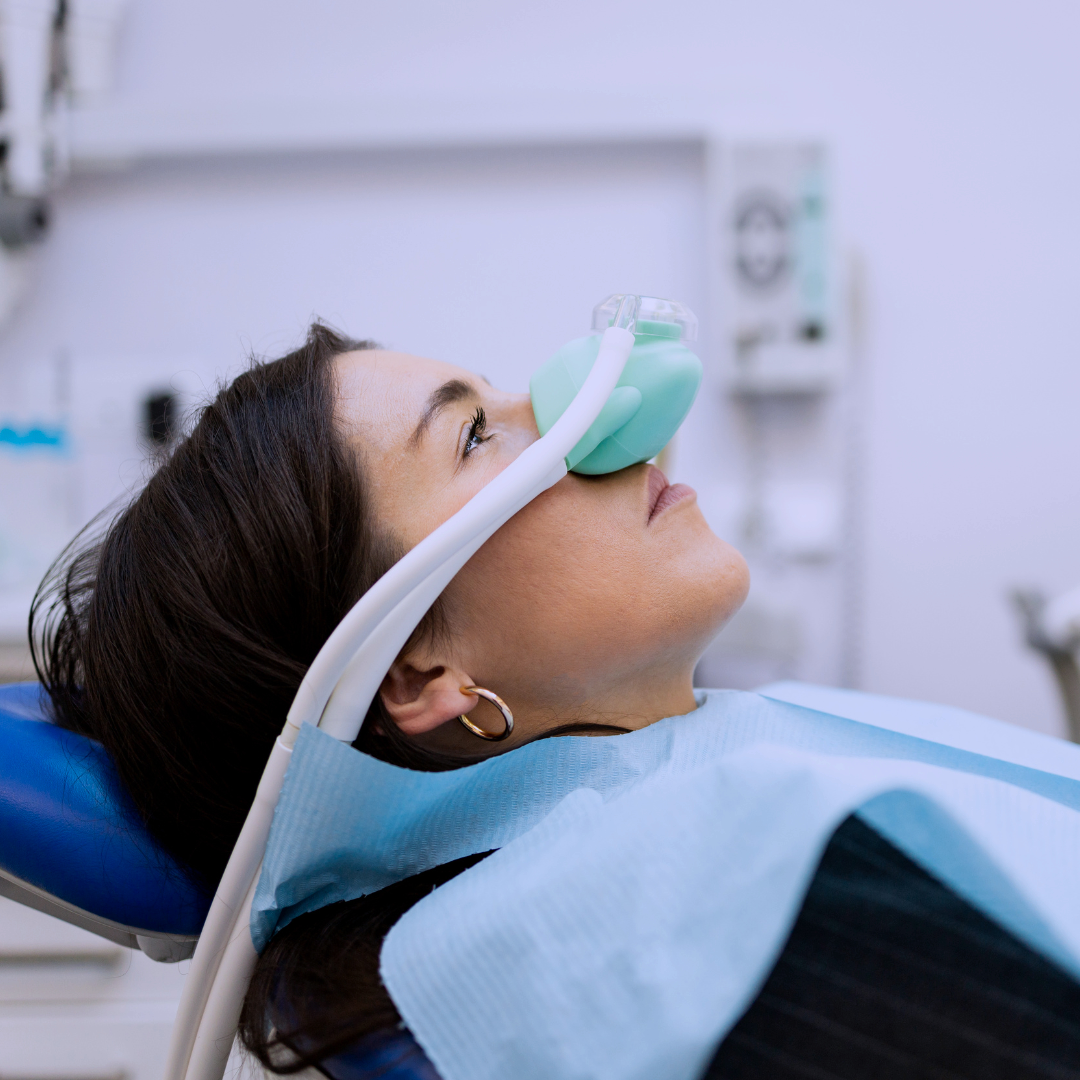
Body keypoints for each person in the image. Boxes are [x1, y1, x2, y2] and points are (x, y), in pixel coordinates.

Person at [32, 324, 1080, 1080]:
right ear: (420, 675)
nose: (599, 420)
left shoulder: (711, 789)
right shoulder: (679, 911)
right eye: (475, 436)